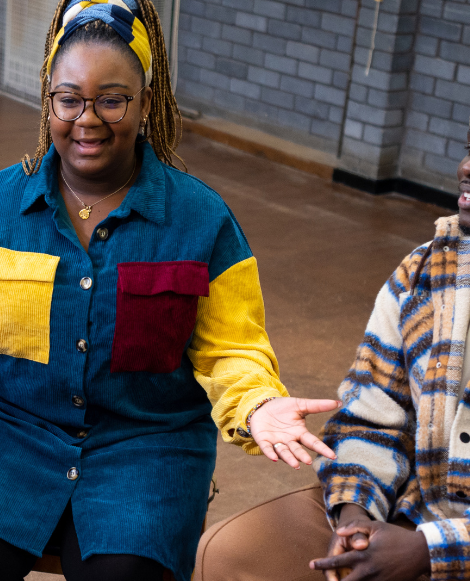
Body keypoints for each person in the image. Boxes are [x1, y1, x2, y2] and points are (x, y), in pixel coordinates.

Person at [0, 0, 338, 581]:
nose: (86, 120)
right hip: (6, 435)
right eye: (68, 100)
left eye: (112, 101)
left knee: (125, 572)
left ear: (147, 103)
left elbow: (232, 349)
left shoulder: (202, 221)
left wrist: (260, 405)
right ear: (48, 102)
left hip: (145, 447)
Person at [193, 130, 470, 581]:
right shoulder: (425, 272)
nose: (465, 169)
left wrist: (428, 552)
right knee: (227, 555)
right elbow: (373, 418)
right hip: (413, 510)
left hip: (443, 542)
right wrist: (355, 516)